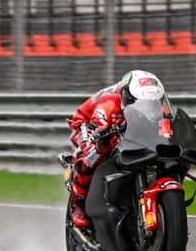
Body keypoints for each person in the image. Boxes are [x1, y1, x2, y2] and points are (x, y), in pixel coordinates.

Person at [65, 70, 167, 229]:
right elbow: (100, 133)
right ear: (129, 99)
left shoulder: (155, 104)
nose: (149, 108)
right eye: (143, 104)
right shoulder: (109, 106)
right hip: (88, 124)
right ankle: (78, 204)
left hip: (124, 123)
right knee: (91, 156)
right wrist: (102, 139)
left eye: (152, 103)